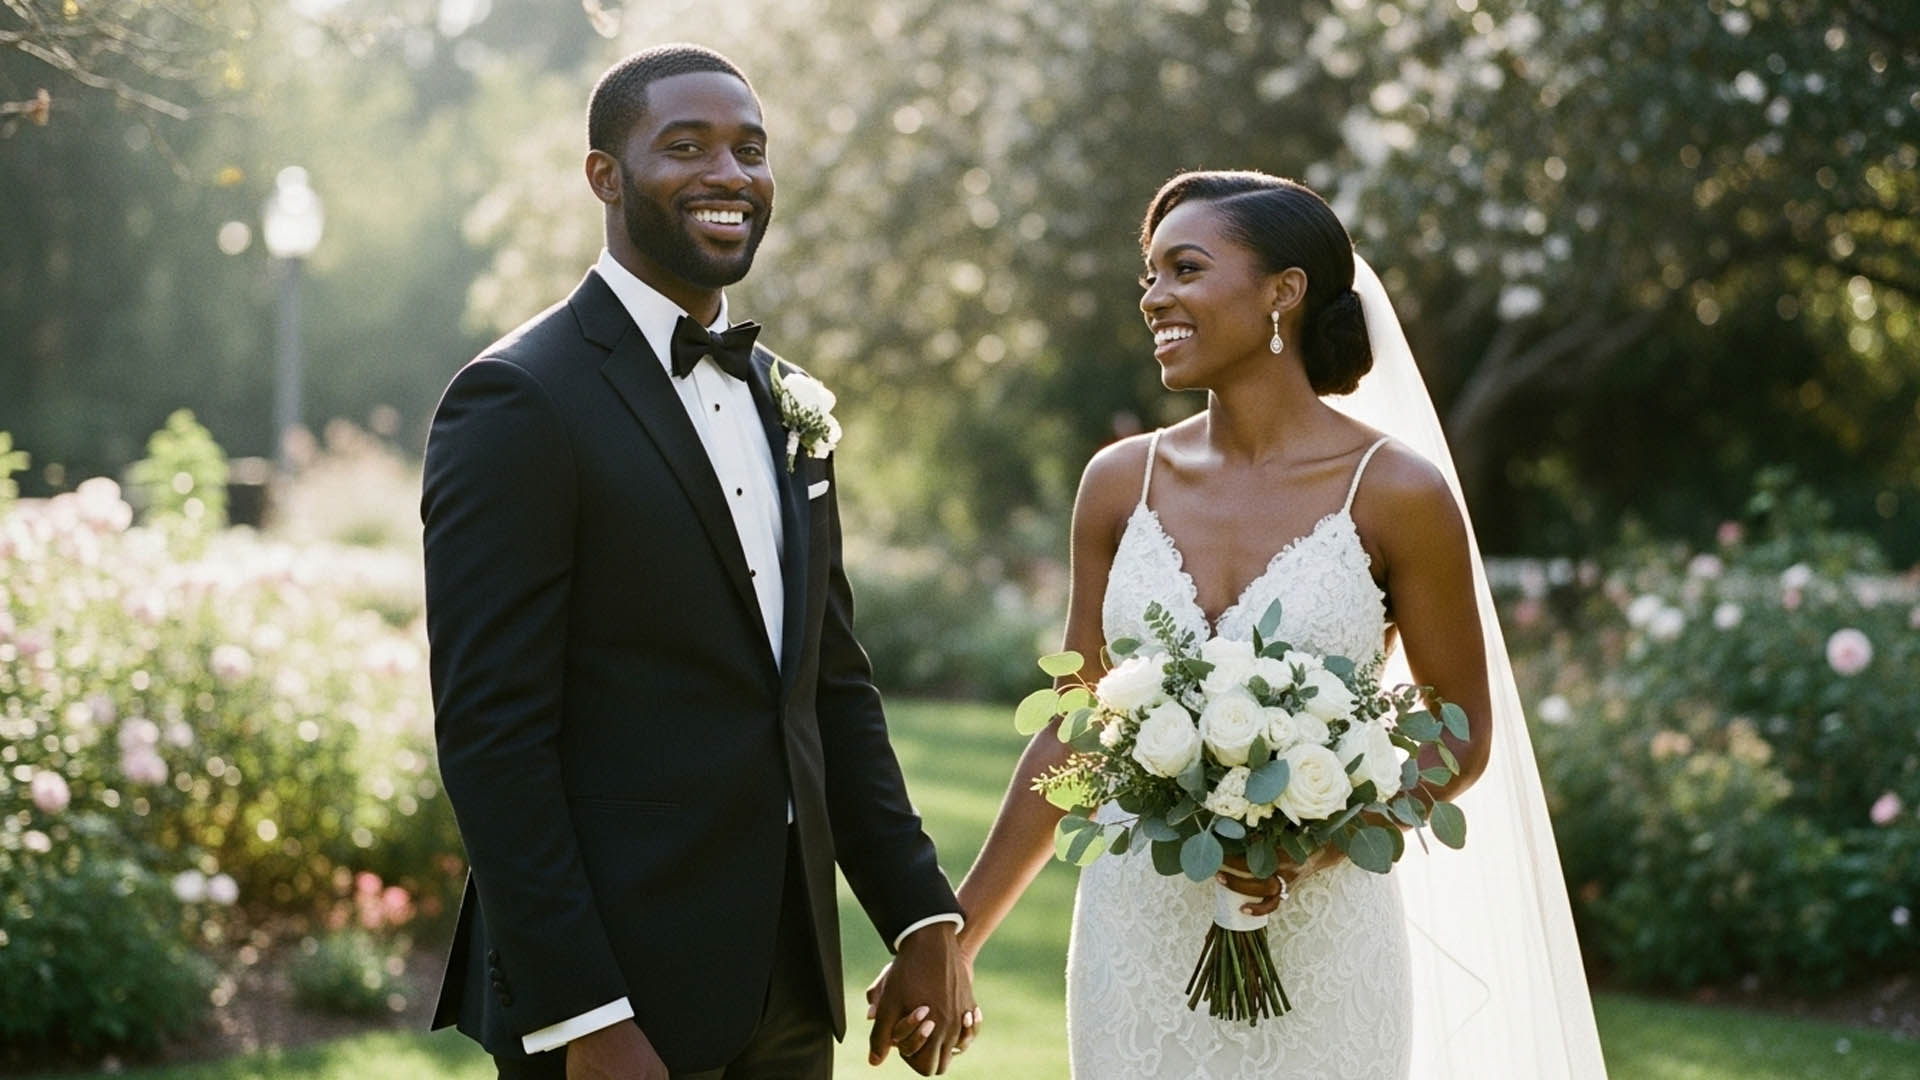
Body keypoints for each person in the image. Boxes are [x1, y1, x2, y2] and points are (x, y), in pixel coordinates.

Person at [878, 171, 1606, 1077]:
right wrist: (956, 937)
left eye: (1184, 269)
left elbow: (1459, 737)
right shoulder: (1118, 482)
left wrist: (1310, 841)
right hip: (1135, 936)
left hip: (1324, 940)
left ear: (1283, 292)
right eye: (1148, 276)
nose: (1155, 299)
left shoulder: (1398, 493)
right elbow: (1073, 726)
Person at [421, 44, 975, 1080]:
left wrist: (921, 917)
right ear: (605, 175)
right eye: (686, 146)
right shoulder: (518, 401)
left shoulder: (790, 402)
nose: (730, 174)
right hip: (614, 989)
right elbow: (492, 738)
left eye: (750, 150)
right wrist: (588, 1014)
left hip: (788, 977)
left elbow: (829, 688)